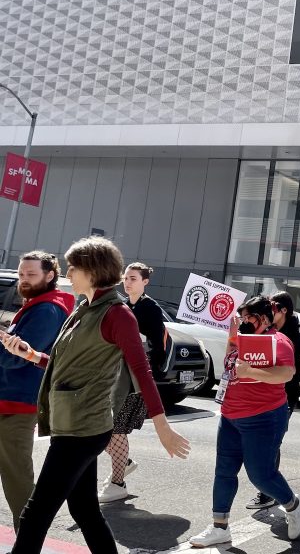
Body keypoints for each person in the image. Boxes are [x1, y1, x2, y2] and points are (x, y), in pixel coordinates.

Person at [1, 237, 189, 554]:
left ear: (92, 271)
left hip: (83, 428)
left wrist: (162, 427)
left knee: (36, 513)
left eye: (74, 268)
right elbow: (67, 366)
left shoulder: (118, 314)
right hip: (75, 424)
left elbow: (142, 371)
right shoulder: (83, 310)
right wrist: (33, 355)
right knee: (84, 509)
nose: (69, 274)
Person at [189, 296, 300, 547]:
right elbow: (231, 368)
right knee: (224, 471)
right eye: (241, 317)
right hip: (231, 417)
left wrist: (251, 372)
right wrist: (232, 341)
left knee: (261, 475)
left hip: (263, 417)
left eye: (248, 317)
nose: (243, 322)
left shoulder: (278, 341)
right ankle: (219, 526)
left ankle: (293, 504)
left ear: (263, 319)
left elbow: (287, 373)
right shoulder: (240, 337)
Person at [0, 251, 74, 530]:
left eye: (31, 274)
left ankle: (28, 538)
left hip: (17, 403)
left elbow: (15, 356)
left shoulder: (47, 309)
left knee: (16, 474)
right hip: (11, 400)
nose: (24, 279)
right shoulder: (39, 305)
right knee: (14, 472)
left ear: (50, 275)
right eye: (21, 274)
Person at [98, 262, 168, 503]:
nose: (127, 282)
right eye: (126, 278)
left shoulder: (151, 308)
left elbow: (159, 345)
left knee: (116, 427)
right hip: (114, 374)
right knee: (102, 427)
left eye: (133, 278)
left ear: (145, 282)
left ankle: (118, 481)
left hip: (135, 378)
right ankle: (123, 463)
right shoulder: (121, 306)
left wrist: (146, 367)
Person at [246, 290, 300, 510]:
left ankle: (268, 491)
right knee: (262, 441)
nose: (268, 311)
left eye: (272, 307)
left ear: (283, 310)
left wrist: (283, 367)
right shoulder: (267, 329)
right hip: (261, 392)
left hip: (285, 394)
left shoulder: (297, 333)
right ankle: (269, 489)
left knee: (271, 442)